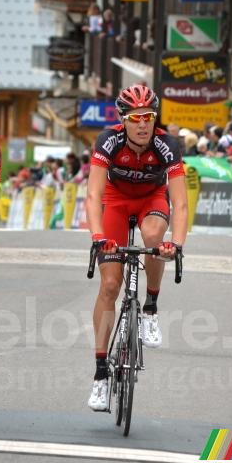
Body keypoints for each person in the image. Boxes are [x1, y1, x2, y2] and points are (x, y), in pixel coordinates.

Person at [85, 84, 187, 411]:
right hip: (115, 202)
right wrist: (98, 236)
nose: (143, 124)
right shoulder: (108, 141)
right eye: (136, 118)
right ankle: (101, 375)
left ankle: (151, 308)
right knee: (110, 285)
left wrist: (178, 243)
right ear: (124, 120)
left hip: (151, 199)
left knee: (155, 237)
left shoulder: (167, 145)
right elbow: (92, 195)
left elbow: (181, 204)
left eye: (149, 117)